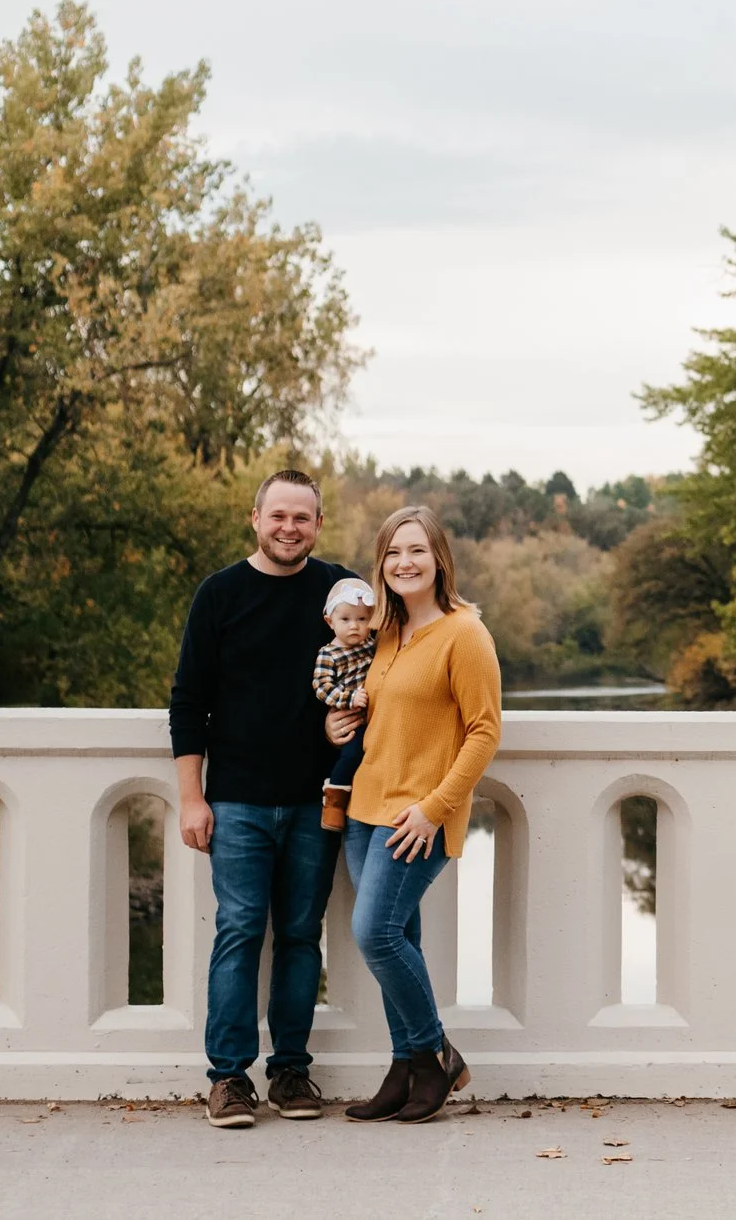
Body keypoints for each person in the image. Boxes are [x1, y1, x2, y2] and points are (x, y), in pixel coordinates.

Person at [168, 470, 357, 1130]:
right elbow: (189, 702)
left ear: (318, 523)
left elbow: (378, 673)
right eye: (278, 515)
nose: (288, 527)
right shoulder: (219, 594)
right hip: (239, 801)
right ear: (255, 518)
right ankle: (227, 1078)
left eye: (301, 517)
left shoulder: (341, 592)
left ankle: (291, 1070)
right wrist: (192, 797)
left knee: (302, 936)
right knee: (241, 931)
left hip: (317, 802)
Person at [330, 504, 502, 1125]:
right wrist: (334, 723)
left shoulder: (464, 633)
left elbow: (484, 733)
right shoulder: (382, 633)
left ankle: (436, 1056)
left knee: (374, 932)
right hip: (364, 809)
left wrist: (434, 809)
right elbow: (376, 715)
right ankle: (405, 1068)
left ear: (439, 560)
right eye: (392, 553)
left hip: (417, 818)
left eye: (417, 551)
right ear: (381, 564)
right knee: (399, 937)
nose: (404, 563)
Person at [312, 578, 378, 830]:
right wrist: (349, 698)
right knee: (352, 755)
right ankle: (334, 800)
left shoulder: (371, 646)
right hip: (350, 717)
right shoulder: (329, 654)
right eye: (346, 619)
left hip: (372, 718)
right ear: (330, 621)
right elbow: (322, 687)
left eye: (362, 620)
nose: (354, 626)